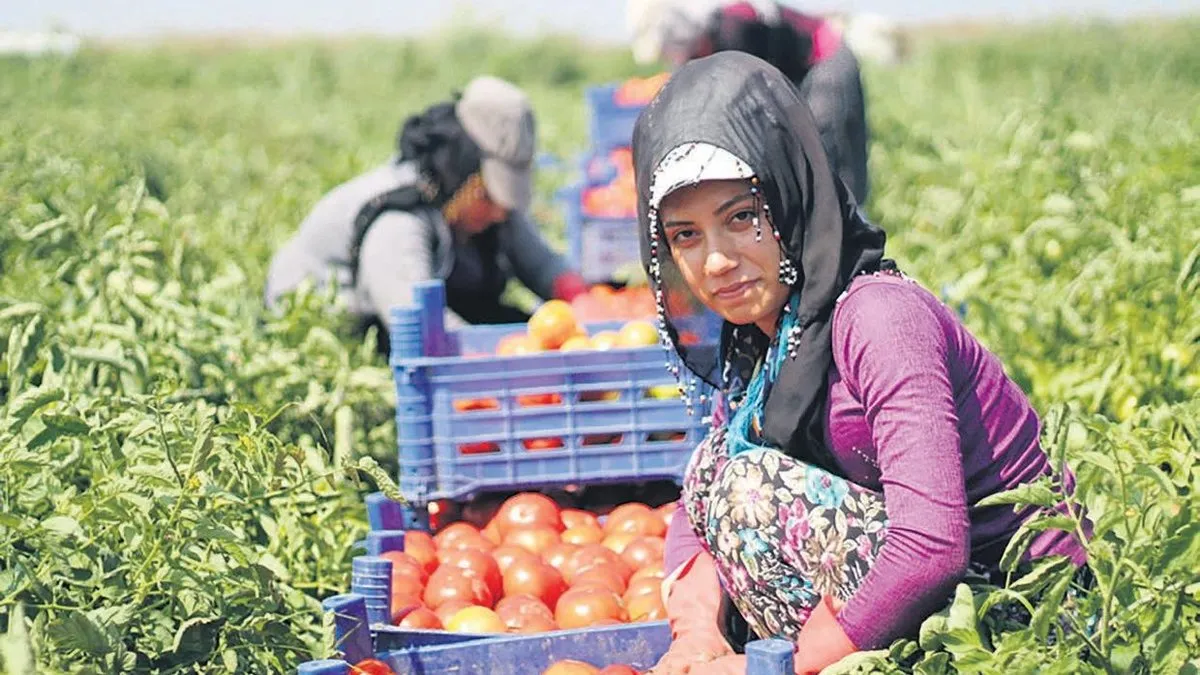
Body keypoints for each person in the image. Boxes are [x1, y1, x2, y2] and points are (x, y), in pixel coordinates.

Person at [632, 52, 1089, 674]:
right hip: (928, 598)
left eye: (742, 218)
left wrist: (777, 666)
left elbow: (931, 547)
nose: (715, 261)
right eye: (686, 235)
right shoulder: (770, 334)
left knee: (747, 487)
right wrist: (695, 636)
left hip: (1023, 617)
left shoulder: (877, 317)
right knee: (716, 469)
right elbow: (697, 504)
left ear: (790, 199)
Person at [264, 76, 588, 355]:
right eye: (489, 195)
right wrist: (502, 357)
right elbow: (421, 327)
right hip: (348, 326)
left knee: (515, 326)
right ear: (462, 176)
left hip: (416, 308)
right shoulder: (398, 220)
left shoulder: (484, 207)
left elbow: (544, 266)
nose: (501, 211)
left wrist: (590, 306)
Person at [626, 0, 871, 206]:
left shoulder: (735, 30)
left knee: (825, 148)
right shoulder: (700, 52)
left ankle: (848, 226)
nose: (673, 59)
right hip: (794, 71)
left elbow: (757, 101)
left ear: (688, 39)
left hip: (825, 59)